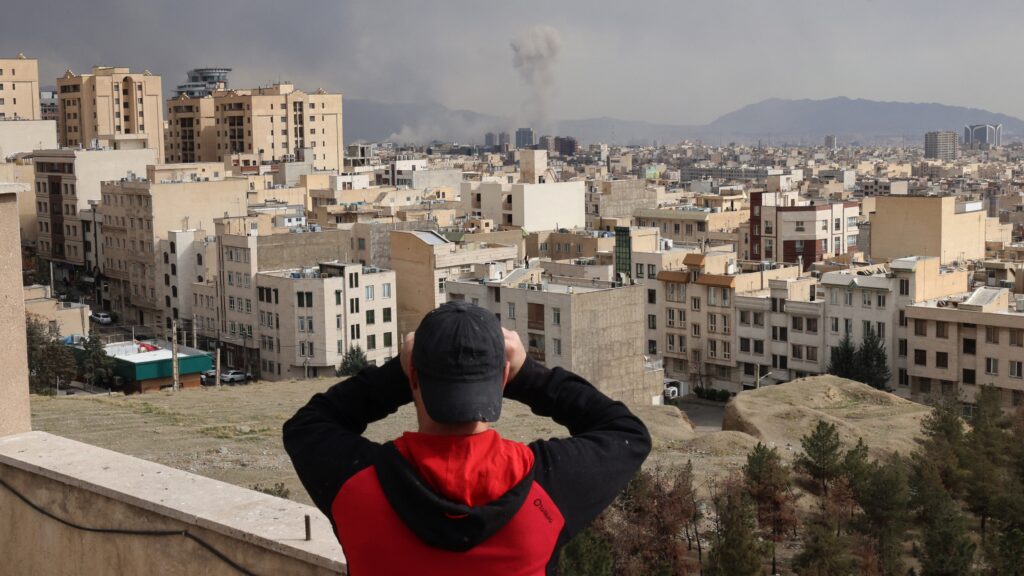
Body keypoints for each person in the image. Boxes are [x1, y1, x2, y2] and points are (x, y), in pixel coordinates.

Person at [283, 300, 650, 575]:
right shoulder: (547, 488)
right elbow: (626, 432)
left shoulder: (357, 486)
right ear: (503, 377)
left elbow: (308, 426)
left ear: (414, 378)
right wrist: (530, 376)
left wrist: (397, 373)